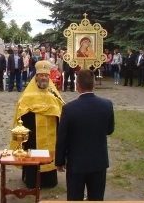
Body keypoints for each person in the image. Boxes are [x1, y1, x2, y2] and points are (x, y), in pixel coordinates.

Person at [55, 69, 115, 201]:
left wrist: (59, 161)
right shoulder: (107, 105)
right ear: (94, 83)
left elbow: (62, 137)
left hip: (76, 162)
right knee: (97, 197)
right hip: (99, 160)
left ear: (77, 85)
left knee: (75, 198)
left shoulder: (69, 108)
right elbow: (109, 130)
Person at [10, 60, 64, 189]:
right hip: (33, 130)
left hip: (50, 131)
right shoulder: (28, 94)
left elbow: (61, 109)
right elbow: (21, 112)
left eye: (46, 75)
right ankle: (32, 180)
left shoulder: (53, 93)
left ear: (49, 77)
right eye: (41, 75)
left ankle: (49, 180)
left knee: (49, 152)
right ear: (36, 76)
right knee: (33, 152)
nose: (44, 78)